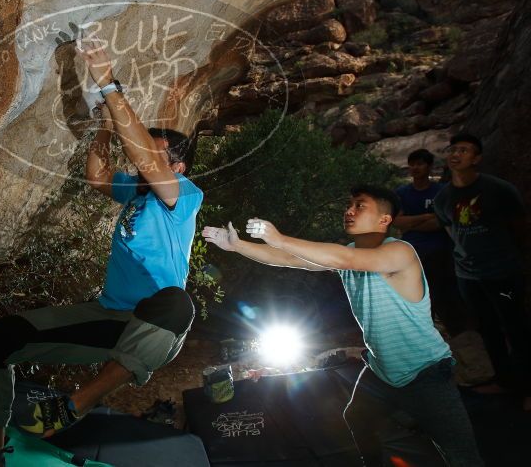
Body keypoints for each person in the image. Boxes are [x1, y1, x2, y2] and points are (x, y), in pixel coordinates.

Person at [0, 41, 203, 467]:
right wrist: (103, 121)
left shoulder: (184, 197)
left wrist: (108, 83)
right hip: (109, 318)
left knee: (177, 301)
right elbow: (97, 175)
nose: (142, 162)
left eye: (155, 156)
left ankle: (75, 404)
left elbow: (144, 158)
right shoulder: (135, 192)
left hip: (152, 329)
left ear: (177, 168)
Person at [202, 185, 483, 466]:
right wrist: (237, 245)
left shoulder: (399, 252)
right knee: (357, 419)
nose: (349, 211)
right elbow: (290, 259)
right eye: (349, 205)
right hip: (383, 372)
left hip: (426, 373)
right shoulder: (348, 253)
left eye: (360, 206)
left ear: (384, 220)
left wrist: (279, 238)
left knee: (462, 455)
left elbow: (341, 258)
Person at [434, 132, 531, 410]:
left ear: (477, 158)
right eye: (453, 149)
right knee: (487, 330)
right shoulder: (444, 197)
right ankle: (504, 381)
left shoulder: (498, 189)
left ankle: (528, 387)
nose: (455, 154)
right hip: (468, 276)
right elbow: (450, 230)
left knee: (517, 329)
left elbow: (519, 227)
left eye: (463, 150)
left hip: (502, 272)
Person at [393, 149, 469, 336]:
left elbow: (440, 222)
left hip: (440, 251)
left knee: (443, 292)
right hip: (412, 252)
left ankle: (456, 331)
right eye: (412, 164)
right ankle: (423, 332)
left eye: (419, 164)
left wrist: (412, 223)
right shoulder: (402, 192)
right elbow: (397, 221)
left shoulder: (441, 191)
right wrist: (426, 216)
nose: (415, 168)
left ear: (429, 167)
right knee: (416, 294)